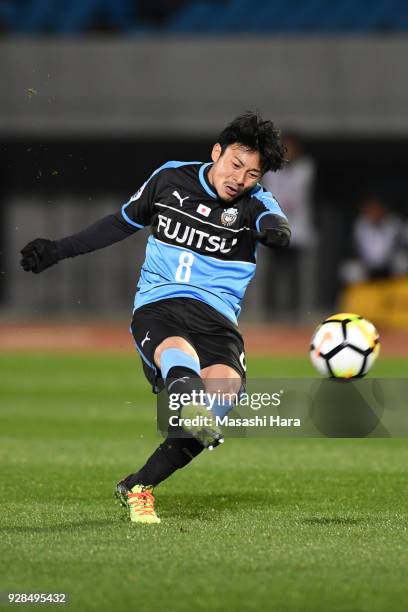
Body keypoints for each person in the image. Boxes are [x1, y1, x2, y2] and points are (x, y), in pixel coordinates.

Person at [20, 112, 291, 524]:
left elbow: (275, 221)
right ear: (216, 152)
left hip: (217, 319)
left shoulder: (257, 202)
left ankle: (138, 486)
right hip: (159, 305)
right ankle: (189, 400)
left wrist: (276, 231)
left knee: (225, 393)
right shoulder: (170, 178)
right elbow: (119, 223)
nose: (240, 178)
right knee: (179, 358)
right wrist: (58, 249)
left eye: (252, 173)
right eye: (235, 164)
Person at [261, 131, 316, 319]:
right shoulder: (270, 167)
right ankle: (271, 311)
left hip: (297, 226)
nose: (288, 152)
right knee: (272, 271)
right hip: (275, 224)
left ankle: (295, 312)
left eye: (291, 148)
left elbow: (298, 195)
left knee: (294, 272)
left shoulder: (305, 168)